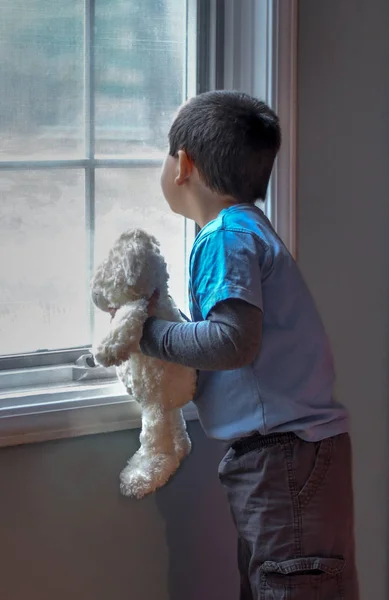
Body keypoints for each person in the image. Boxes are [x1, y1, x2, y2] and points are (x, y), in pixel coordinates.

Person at [140, 90, 359, 599]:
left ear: (182, 165)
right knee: (295, 582)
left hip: (284, 457)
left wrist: (147, 335)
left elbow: (232, 342)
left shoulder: (224, 237)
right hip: (298, 454)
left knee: (290, 585)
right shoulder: (248, 230)